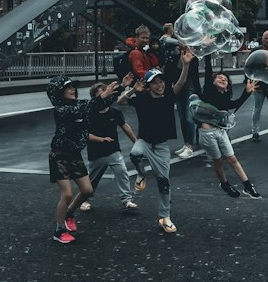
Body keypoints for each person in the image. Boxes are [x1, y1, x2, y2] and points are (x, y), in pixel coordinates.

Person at [119, 50, 193, 235]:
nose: (159, 85)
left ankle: (165, 217)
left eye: (161, 81)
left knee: (164, 182)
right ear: (149, 85)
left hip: (161, 147)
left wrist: (185, 64)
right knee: (135, 154)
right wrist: (130, 90)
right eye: (155, 82)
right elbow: (120, 102)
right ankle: (141, 174)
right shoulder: (142, 98)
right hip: (144, 141)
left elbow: (181, 83)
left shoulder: (168, 96)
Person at [46, 76, 120, 244]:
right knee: (67, 193)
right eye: (68, 87)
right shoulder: (61, 109)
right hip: (59, 155)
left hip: (74, 155)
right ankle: (59, 230)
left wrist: (123, 87)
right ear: (58, 92)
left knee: (87, 190)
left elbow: (99, 105)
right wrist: (103, 95)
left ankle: (70, 213)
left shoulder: (78, 106)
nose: (73, 89)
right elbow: (91, 105)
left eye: (73, 87)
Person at [189, 55, 260, 198]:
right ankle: (224, 184)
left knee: (232, 158)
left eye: (225, 80)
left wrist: (247, 92)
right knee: (218, 160)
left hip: (221, 132)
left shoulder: (225, 99)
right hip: (207, 134)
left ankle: (247, 185)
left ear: (228, 87)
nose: (223, 79)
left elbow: (236, 104)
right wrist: (207, 55)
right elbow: (208, 73)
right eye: (219, 77)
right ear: (212, 81)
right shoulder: (208, 93)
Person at [84, 81, 138, 213]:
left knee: (122, 172)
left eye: (107, 92)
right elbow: (84, 133)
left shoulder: (114, 112)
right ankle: (85, 200)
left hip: (113, 150)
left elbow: (125, 126)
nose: (106, 95)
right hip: (96, 152)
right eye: (102, 93)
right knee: (93, 179)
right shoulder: (90, 113)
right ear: (95, 98)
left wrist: (137, 143)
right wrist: (100, 139)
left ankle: (127, 200)